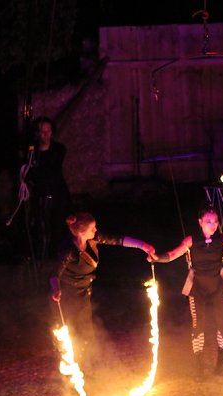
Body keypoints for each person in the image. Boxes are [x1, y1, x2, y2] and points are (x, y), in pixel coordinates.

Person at [153, 207, 223, 378]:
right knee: (199, 327)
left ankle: (221, 366)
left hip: (218, 287)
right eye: (208, 221)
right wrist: (157, 258)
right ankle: (199, 368)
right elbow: (173, 254)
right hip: (197, 288)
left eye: (215, 221)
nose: (213, 225)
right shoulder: (191, 240)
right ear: (200, 222)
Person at [51, 212, 155, 370]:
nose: (96, 230)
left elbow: (117, 240)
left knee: (86, 328)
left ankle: (88, 366)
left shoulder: (93, 238)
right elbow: (54, 274)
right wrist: (56, 289)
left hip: (84, 290)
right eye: (92, 228)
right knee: (73, 329)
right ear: (81, 231)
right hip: (67, 294)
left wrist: (143, 246)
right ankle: (73, 368)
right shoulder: (68, 250)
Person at [19, 116, 71, 260]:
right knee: (41, 227)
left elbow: (52, 169)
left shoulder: (59, 149)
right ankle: (41, 257)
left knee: (57, 225)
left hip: (56, 193)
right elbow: (29, 172)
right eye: (42, 131)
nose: (45, 134)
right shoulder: (32, 151)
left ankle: (54, 257)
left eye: (48, 131)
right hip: (40, 194)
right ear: (37, 133)